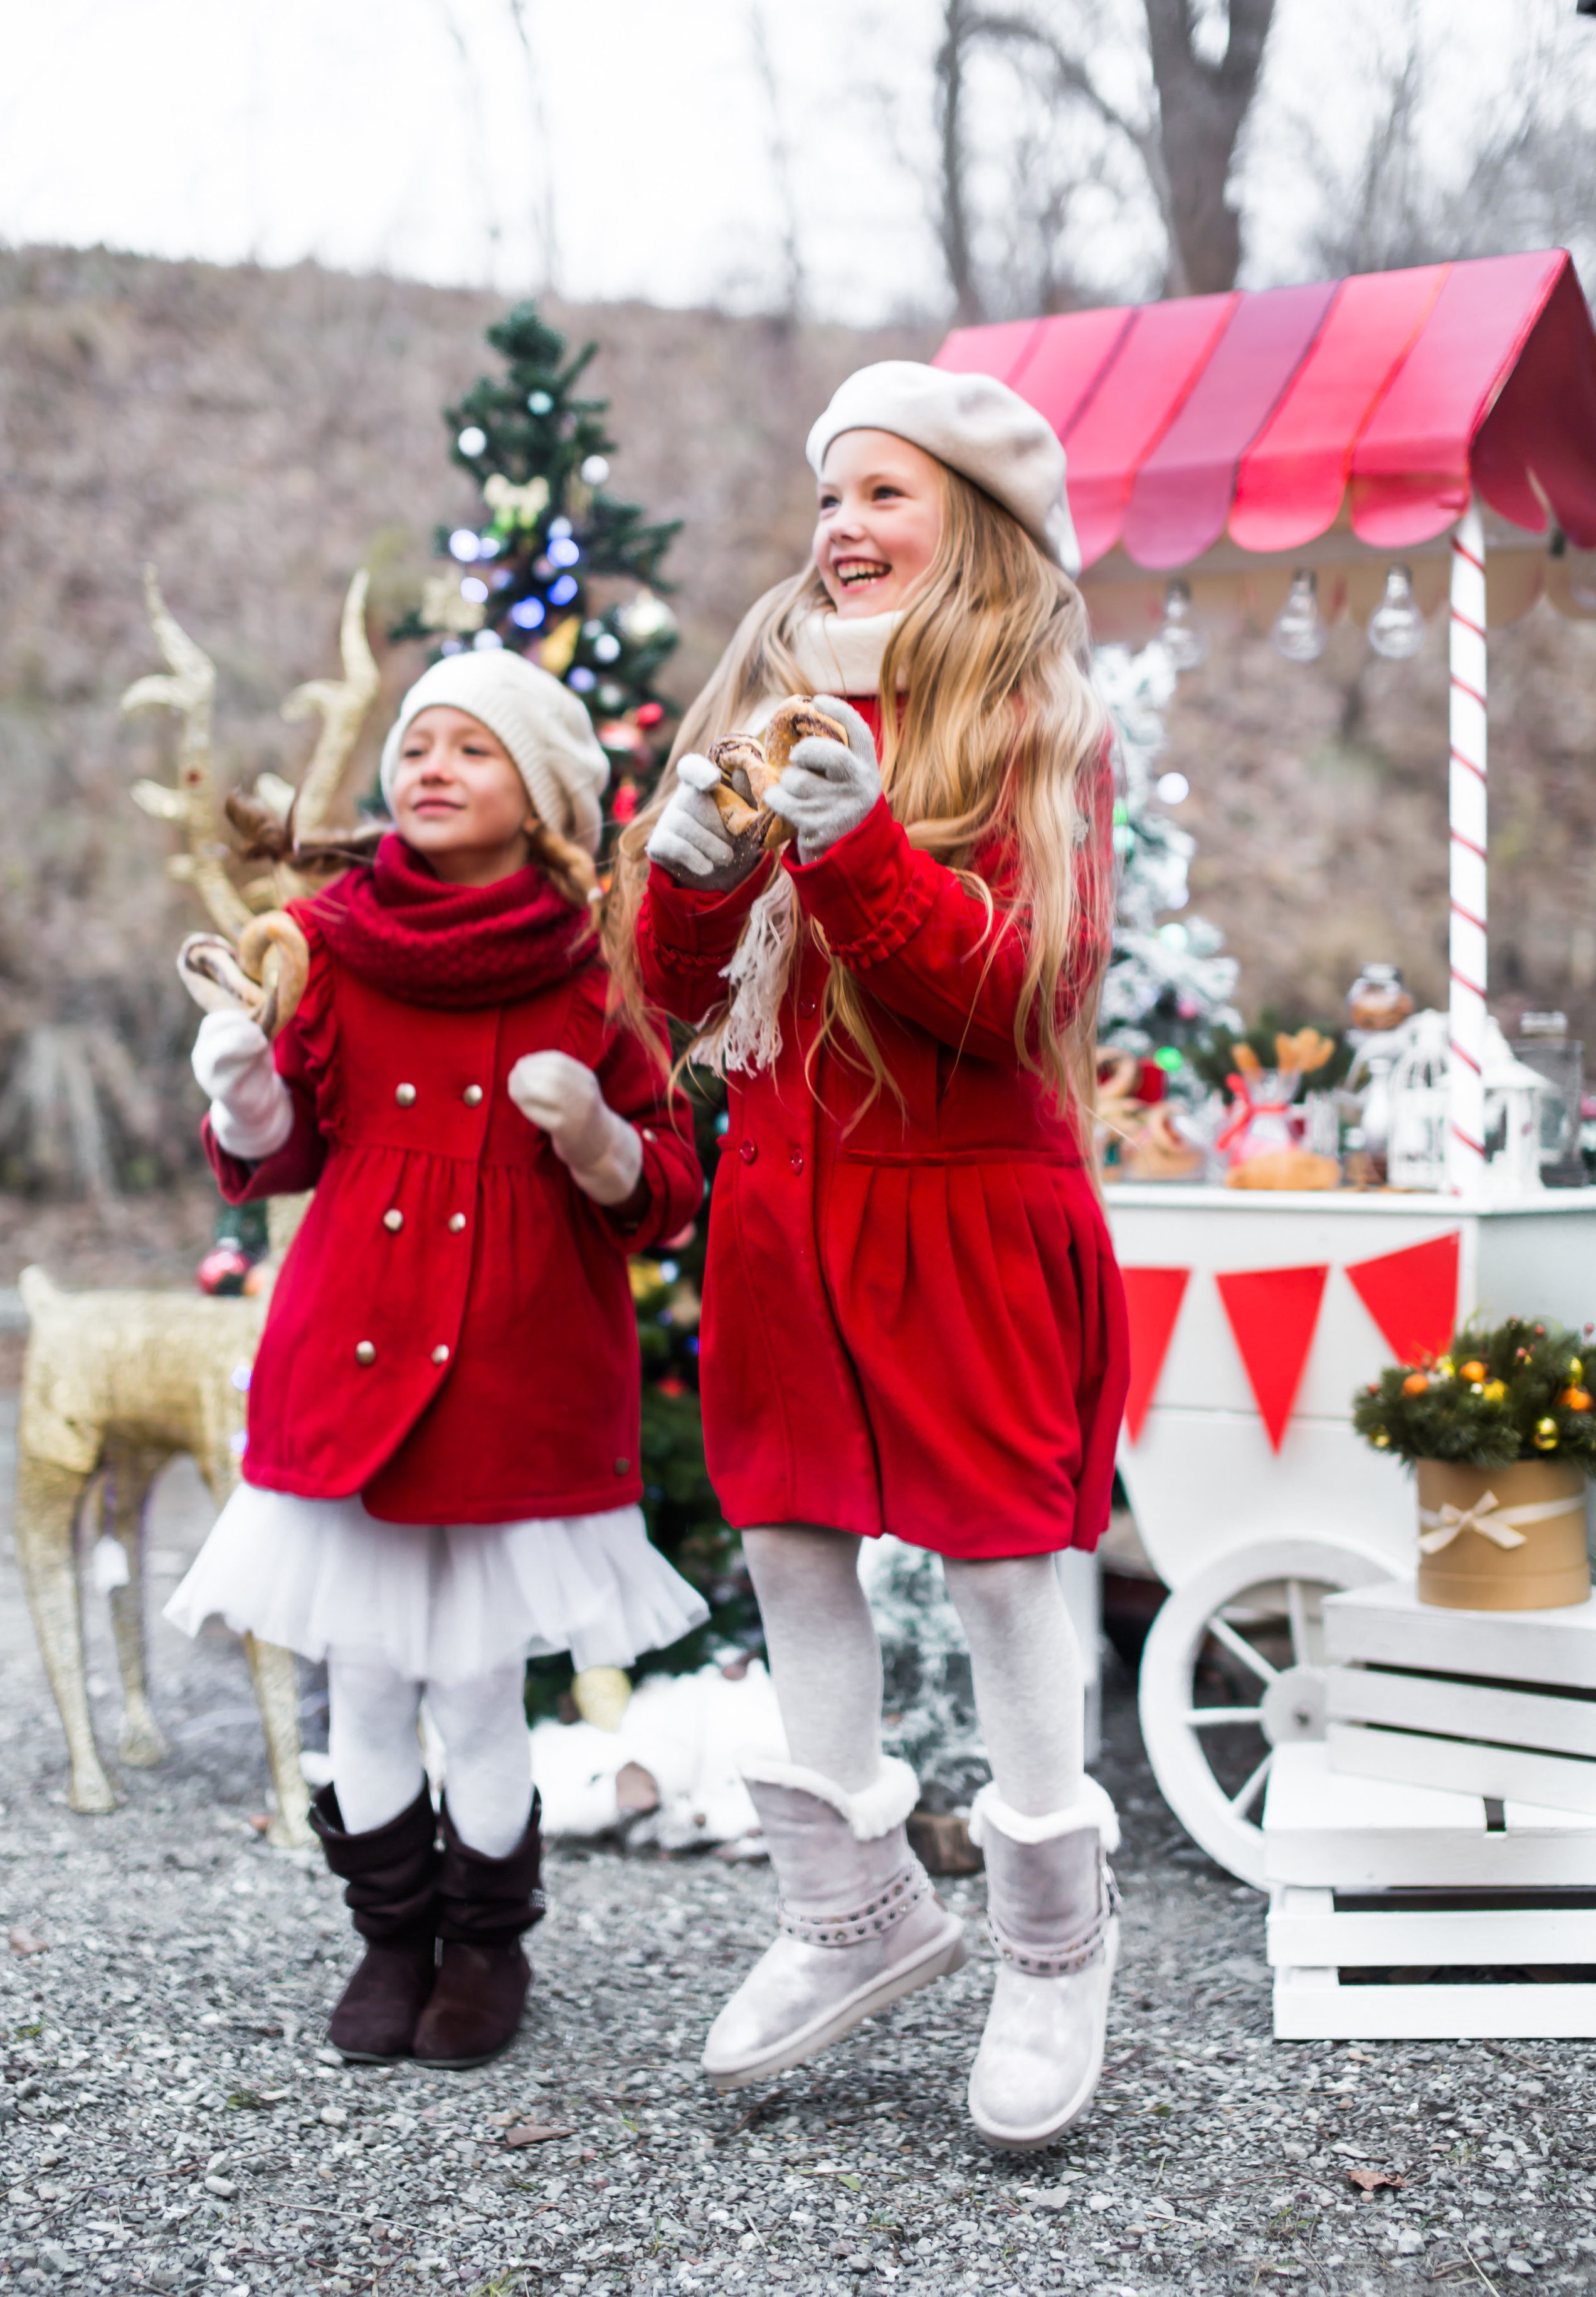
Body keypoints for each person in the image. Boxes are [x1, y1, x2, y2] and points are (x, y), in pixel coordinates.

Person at [607, 362, 1129, 2148]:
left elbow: (1022, 999)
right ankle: (852, 1914)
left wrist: (854, 848)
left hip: (968, 1197)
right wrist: (683, 877)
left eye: (886, 495)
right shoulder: (758, 700)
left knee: (999, 1575)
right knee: (789, 1546)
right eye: (830, 499)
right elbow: (664, 1010)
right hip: (786, 1203)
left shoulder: (1044, 722)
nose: (843, 529)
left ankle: (1055, 1952)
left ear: (974, 530)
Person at [167, 650, 706, 2068]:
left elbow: (668, 1188)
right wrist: (245, 1089)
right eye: (418, 747)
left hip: (512, 1366)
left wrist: (593, 1135)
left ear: (535, 795)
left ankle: (485, 1951)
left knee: (472, 1682)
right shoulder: (328, 945)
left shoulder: (597, 964)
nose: (430, 769)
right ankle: (387, 1943)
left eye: (472, 749)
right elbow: (280, 1158)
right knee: (366, 1680)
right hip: (353, 1350)